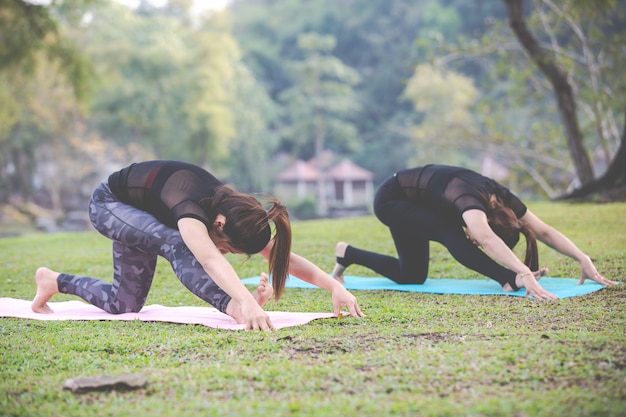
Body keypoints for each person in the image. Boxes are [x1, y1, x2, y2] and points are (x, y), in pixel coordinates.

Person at [32, 160, 364, 330]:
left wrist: (332, 285)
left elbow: (279, 255)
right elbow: (208, 260)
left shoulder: (232, 212)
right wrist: (243, 303)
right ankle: (235, 311)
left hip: (141, 216)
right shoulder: (191, 209)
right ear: (218, 224)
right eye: (230, 248)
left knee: (124, 304)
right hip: (108, 205)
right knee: (177, 242)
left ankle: (54, 280)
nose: (227, 253)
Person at [331, 164, 616, 299]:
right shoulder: (468, 200)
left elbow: (543, 231)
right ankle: (507, 280)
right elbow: (485, 237)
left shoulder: (502, 200)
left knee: (412, 276)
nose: (476, 243)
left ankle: (348, 253)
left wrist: (582, 257)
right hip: (392, 200)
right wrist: (521, 273)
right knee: (449, 231)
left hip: (418, 203)